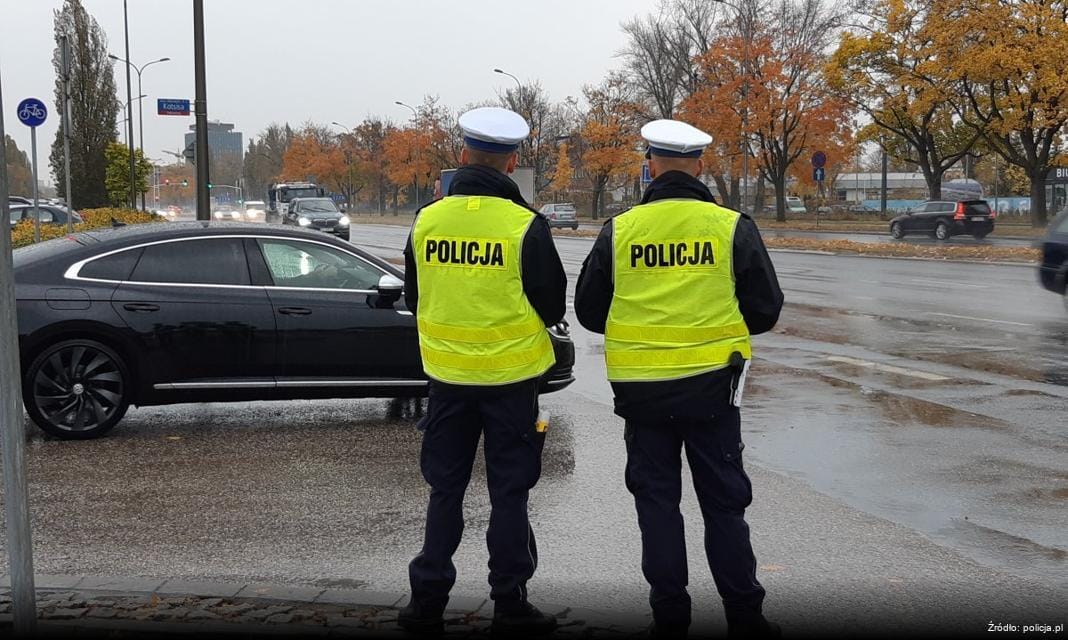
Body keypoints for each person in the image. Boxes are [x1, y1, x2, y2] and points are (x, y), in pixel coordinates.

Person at [574, 119, 784, 638]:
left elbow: (588, 310)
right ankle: (745, 617)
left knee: (657, 507)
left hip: (643, 396)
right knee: (724, 506)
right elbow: (765, 308)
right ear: (700, 166)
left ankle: (669, 617)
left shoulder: (620, 230)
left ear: (650, 165)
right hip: (714, 391)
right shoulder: (731, 226)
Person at [399, 107, 567, 636]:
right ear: (512, 161)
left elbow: (414, 294)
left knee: (444, 490)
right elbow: (552, 304)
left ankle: (426, 603)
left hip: (447, 379)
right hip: (512, 382)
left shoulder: (427, 221)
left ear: (462, 155)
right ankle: (510, 602)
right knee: (509, 493)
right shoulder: (525, 226)